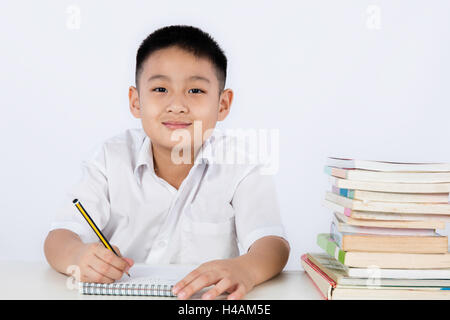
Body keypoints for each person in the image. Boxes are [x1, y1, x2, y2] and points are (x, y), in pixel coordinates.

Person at [44, 25, 290, 300]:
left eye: (195, 90)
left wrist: (246, 269)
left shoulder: (241, 165)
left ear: (223, 104)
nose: (177, 105)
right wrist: (77, 256)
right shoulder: (109, 158)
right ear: (136, 101)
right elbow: (59, 238)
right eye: (160, 88)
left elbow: (272, 245)